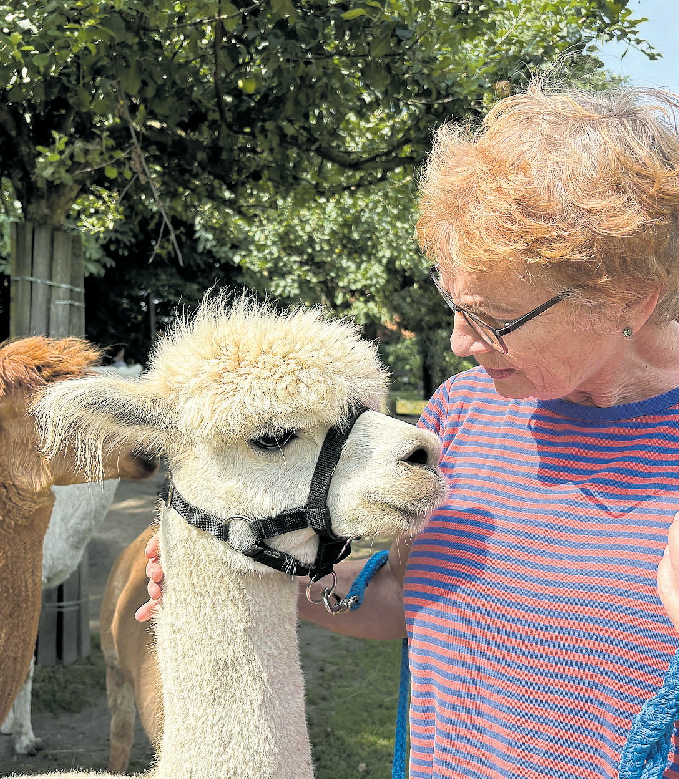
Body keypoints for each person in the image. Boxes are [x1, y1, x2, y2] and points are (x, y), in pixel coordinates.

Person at [137, 82, 679, 778]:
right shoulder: (464, 410)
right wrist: (257, 573)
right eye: (450, 300)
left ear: (627, 300)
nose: (458, 341)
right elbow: (404, 593)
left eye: (492, 318)